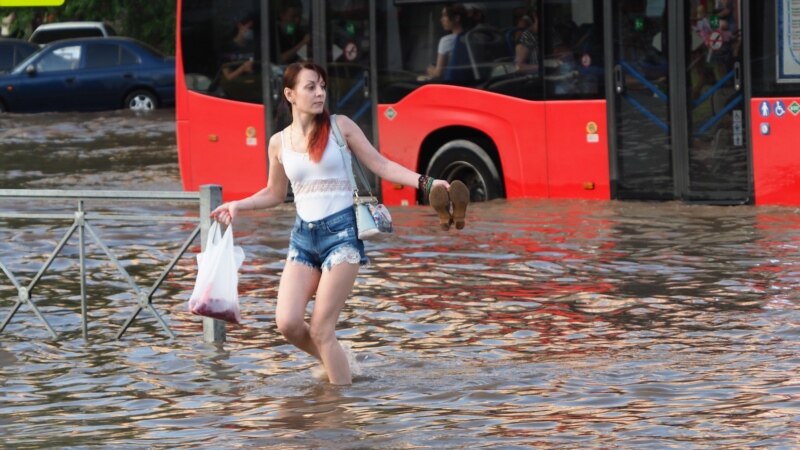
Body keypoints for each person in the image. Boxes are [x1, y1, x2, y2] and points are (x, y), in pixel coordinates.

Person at [210, 62, 467, 385]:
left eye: (322, 87)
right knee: (287, 324)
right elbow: (275, 193)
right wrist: (238, 204)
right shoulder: (278, 142)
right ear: (290, 94)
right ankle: (340, 364)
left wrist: (427, 183)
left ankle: (339, 411)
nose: (319, 93)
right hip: (303, 238)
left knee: (320, 329)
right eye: (311, 87)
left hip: (342, 236)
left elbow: (381, 164)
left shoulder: (340, 127)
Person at [419, 3, 467, 81]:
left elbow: (438, 73)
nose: (441, 19)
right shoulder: (473, 37)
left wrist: (430, 70)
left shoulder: (446, 41)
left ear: (456, 18)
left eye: (445, 15)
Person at [271, 1, 311, 65]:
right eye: (293, 17)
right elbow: (281, 59)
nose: (297, 20)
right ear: (282, 15)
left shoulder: (299, 33)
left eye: (299, 16)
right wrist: (303, 43)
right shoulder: (273, 34)